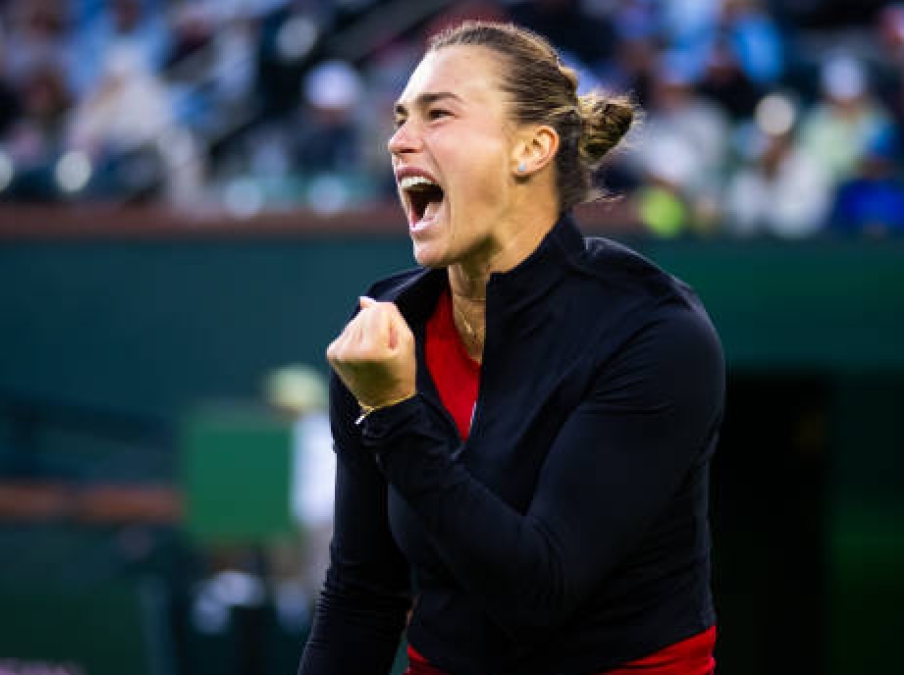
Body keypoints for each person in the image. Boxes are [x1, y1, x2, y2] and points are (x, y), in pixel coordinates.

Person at [298, 21, 724, 675]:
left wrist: (393, 413)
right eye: (401, 118)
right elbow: (362, 597)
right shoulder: (387, 329)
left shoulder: (656, 332)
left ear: (533, 148)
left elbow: (538, 592)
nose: (398, 140)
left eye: (438, 114)